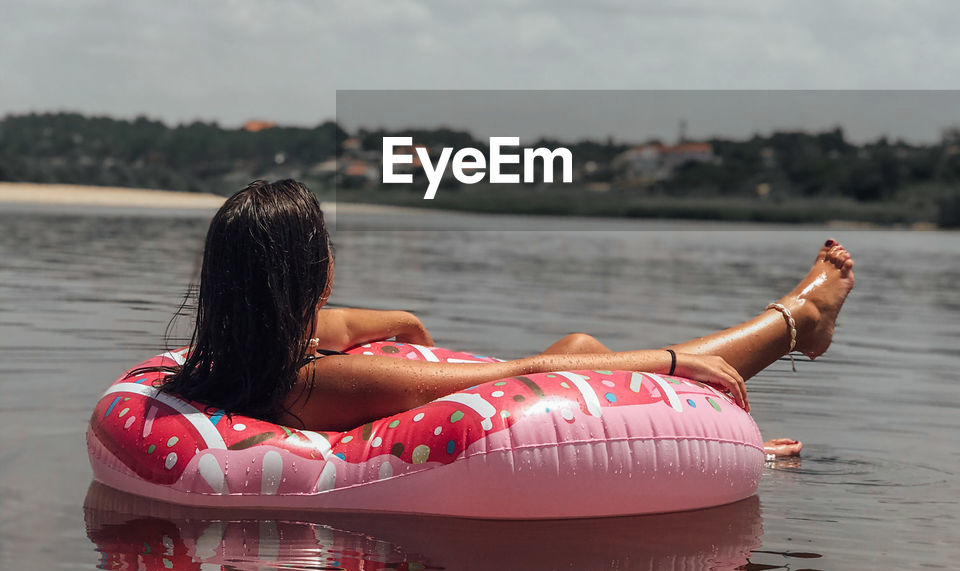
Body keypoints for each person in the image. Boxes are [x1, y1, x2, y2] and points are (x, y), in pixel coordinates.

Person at [161, 180, 854, 454]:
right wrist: (675, 366)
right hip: (495, 438)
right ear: (313, 273)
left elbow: (360, 326)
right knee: (584, 350)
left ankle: (729, 411)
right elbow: (528, 374)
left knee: (582, 342)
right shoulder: (313, 383)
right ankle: (797, 319)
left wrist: (405, 328)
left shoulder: (231, 357)